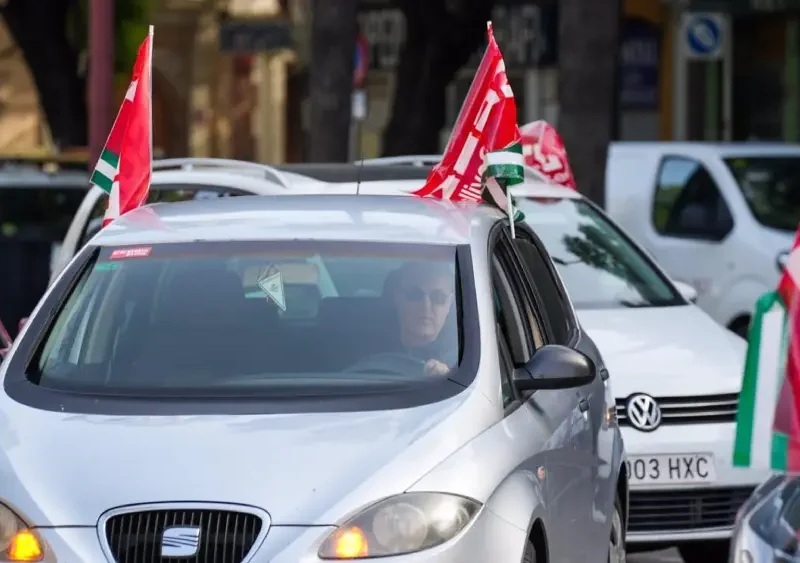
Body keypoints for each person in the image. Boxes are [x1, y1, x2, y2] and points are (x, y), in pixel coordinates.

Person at [390, 261, 457, 376]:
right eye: (415, 295)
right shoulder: (367, 347)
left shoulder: (465, 362)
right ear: (398, 298)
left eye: (438, 297)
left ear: (450, 303)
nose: (426, 306)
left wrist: (447, 377)